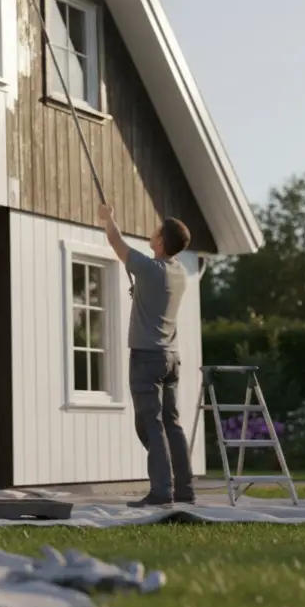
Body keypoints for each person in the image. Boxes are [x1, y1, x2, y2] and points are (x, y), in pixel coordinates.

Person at [97, 203, 195, 507]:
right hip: (170, 359)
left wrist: (108, 219)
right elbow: (153, 290)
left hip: (147, 359)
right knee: (171, 423)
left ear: (161, 241)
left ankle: (161, 491)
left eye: (155, 232)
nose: (151, 234)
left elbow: (117, 243)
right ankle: (184, 490)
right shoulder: (179, 272)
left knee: (150, 424)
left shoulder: (151, 269)